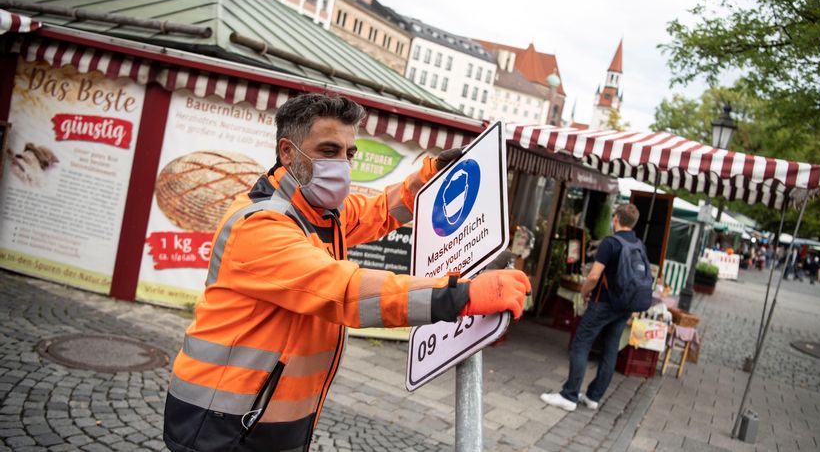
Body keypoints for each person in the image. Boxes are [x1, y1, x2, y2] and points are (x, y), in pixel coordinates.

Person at [162, 94, 530, 452]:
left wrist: (426, 180)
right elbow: (346, 292)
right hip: (220, 422)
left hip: (266, 417)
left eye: (348, 153)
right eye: (328, 151)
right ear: (287, 152)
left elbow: (379, 211)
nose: (342, 163)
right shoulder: (260, 225)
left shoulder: (317, 213)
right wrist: (462, 294)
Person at [540, 203, 645, 412]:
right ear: (633, 223)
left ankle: (569, 395)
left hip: (603, 303)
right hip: (624, 305)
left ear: (615, 219)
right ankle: (592, 397)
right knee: (610, 349)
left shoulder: (611, 243)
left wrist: (584, 291)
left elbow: (595, 275)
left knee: (581, 343)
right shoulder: (639, 244)